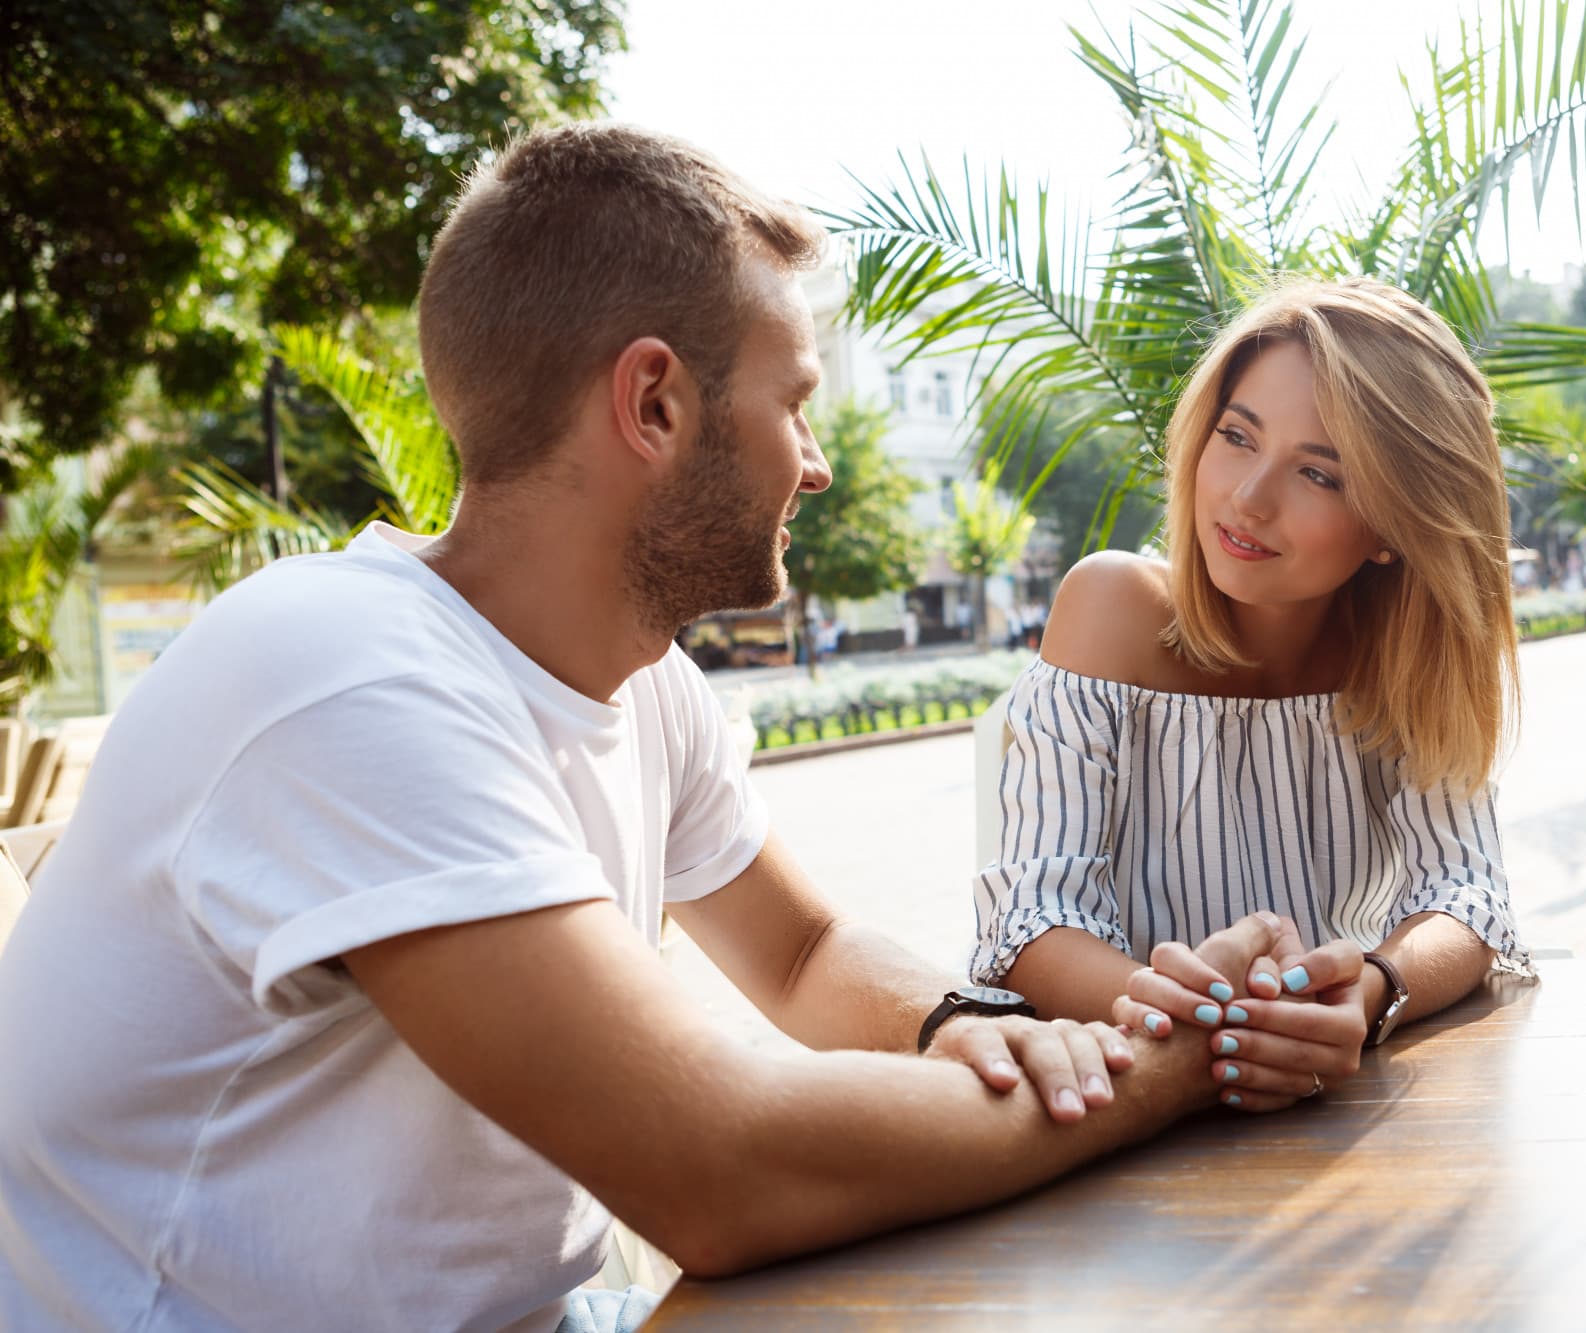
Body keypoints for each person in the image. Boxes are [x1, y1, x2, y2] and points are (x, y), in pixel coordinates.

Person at [0, 125, 1247, 1333]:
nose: (814, 464)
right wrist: (1167, 1073)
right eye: (793, 403)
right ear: (653, 402)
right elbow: (713, 1166)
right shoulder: (343, 674)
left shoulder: (640, 679)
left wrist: (1000, 1036)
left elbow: (806, 953)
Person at [971, 277, 1531, 1115]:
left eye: (1320, 474)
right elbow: (1031, 921)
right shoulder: (1112, 607)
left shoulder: (1408, 661)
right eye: (1237, 436)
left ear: (1394, 525)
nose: (1247, 496)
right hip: (1118, 1112)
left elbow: (1469, 895)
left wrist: (1373, 989)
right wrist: (1197, 1023)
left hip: (1349, 1127)